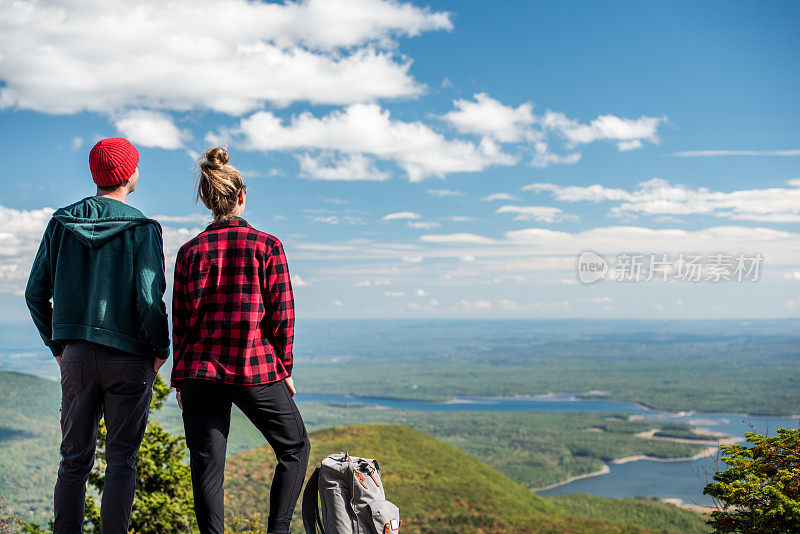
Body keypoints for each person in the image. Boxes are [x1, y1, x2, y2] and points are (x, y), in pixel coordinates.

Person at [25, 137, 170, 534]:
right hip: (129, 359)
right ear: (130, 173)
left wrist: (58, 345)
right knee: (122, 460)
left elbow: (34, 293)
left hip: (75, 356)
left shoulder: (60, 223)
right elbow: (148, 298)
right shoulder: (142, 228)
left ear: (95, 174)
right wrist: (160, 349)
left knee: (73, 459)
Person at [171, 147, 310, 534]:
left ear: (206, 198)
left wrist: (181, 378)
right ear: (241, 196)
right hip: (256, 366)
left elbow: (180, 322)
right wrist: (285, 368)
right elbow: (283, 314)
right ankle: (277, 530)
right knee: (295, 449)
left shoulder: (189, 253)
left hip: (199, 372)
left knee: (207, 470)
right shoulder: (267, 246)